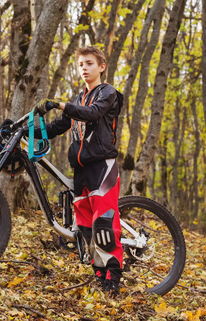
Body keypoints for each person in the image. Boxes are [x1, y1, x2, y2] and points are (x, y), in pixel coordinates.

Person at [34, 46, 124, 295]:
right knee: (86, 229)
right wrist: (29, 129)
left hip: (102, 167)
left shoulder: (109, 93)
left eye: (89, 64)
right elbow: (56, 127)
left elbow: (92, 114)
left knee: (103, 226)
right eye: (81, 64)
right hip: (81, 171)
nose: (84, 68)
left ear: (101, 67)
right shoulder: (77, 99)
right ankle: (100, 275)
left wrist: (60, 104)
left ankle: (113, 281)